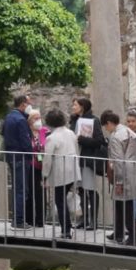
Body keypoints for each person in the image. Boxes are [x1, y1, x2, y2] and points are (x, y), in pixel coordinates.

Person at [102, 110, 136, 246]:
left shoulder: (115, 137)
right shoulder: (127, 131)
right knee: (120, 204)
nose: (106, 130)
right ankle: (119, 232)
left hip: (123, 174)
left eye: (105, 126)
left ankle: (134, 237)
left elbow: (118, 161)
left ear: (108, 123)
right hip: (133, 170)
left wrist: (118, 182)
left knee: (126, 206)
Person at [71, 97, 107, 231]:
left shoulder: (94, 120)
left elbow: (99, 141)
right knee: (80, 189)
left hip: (88, 159)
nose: (73, 107)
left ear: (82, 106)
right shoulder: (74, 120)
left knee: (90, 189)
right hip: (76, 158)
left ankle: (93, 220)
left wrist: (82, 139)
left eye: (75, 105)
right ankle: (84, 218)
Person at [42, 109, 78, 239]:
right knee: (63, 199)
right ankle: (67, 227)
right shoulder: (71, 133)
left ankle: (66, 230)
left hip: (60, 172)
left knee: (60, 200)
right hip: (73, 169)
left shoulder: (51, 138)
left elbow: (47, 159)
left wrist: (44, 175)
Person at [1, 95, 34, 230]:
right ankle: (18, 221)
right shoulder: (21, 120)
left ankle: (16, 219)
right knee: (21, 190)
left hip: (11, 156)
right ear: (23, 104)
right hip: (20, 157)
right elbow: (26, 142)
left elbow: (3, 133)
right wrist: (31, 153)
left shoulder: (9, 117)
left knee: (17, 188)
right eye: (29, 103)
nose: (30, 106)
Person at [28, 109, 47, 227]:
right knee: (30, 192)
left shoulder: (45, 131)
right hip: (31, 165)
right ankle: (29, 219)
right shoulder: (26, 132)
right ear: (30, 121)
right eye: (35, 118)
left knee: (41, 193)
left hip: (43, 166)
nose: (38, 120)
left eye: (39, 118)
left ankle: (41, 220)